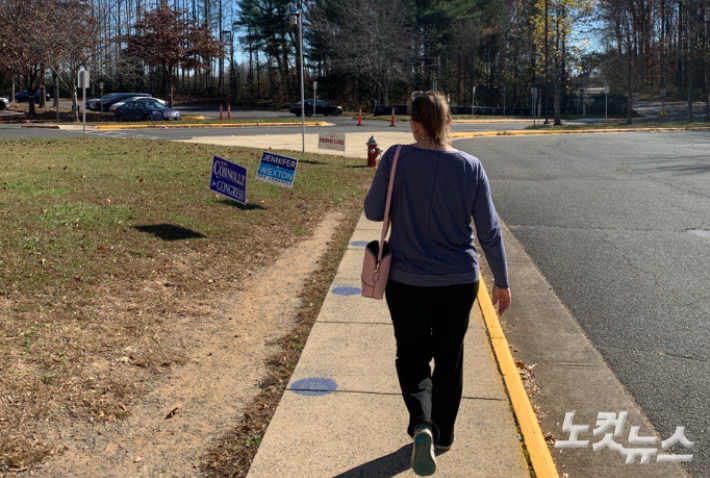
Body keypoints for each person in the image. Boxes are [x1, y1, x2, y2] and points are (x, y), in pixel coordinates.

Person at [363, 90, 511, 476]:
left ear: (413, 125)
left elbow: (373, 211)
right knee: (450, 357)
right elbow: (489, 231)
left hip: (407, 281)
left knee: (411, 355)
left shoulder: (395, 158)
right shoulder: (471, 166)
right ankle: (443, 435)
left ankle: (422, 424)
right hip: (459, 280)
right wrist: (501, 280)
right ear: (448, 123)